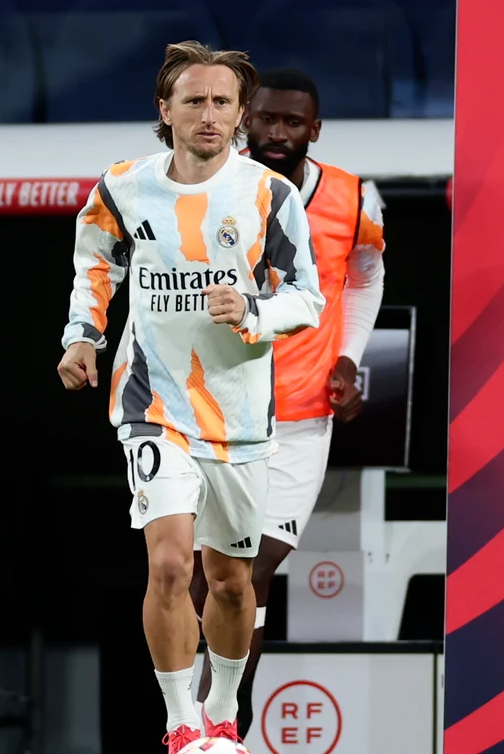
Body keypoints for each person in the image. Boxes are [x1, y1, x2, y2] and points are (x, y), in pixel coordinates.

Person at [57, 42, 325, 754]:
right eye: (195, 100)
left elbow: (308, 298)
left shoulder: (271, 196)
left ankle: (223, 709)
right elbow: (95, 261)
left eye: (223, 102)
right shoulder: (122, 186)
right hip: (152, 401)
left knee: (231, 581)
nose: (210, 114)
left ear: (240, 115)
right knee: (172, 563)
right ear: (165, 109)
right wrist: (82, 336)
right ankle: (181, 724)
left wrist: (254, 312)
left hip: (238, 411)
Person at [189, 68, 387, 736]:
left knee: (253, 564)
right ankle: (200, 722)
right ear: (246, 120)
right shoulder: (208, 188)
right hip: (217, 409)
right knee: (209, 570)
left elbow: (364, 274)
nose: (277, 133)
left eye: (291, 122)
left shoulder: (353, 197)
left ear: (315, 128)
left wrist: (349, 358)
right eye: (265, 119)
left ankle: (219, 719)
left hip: (302, 416)